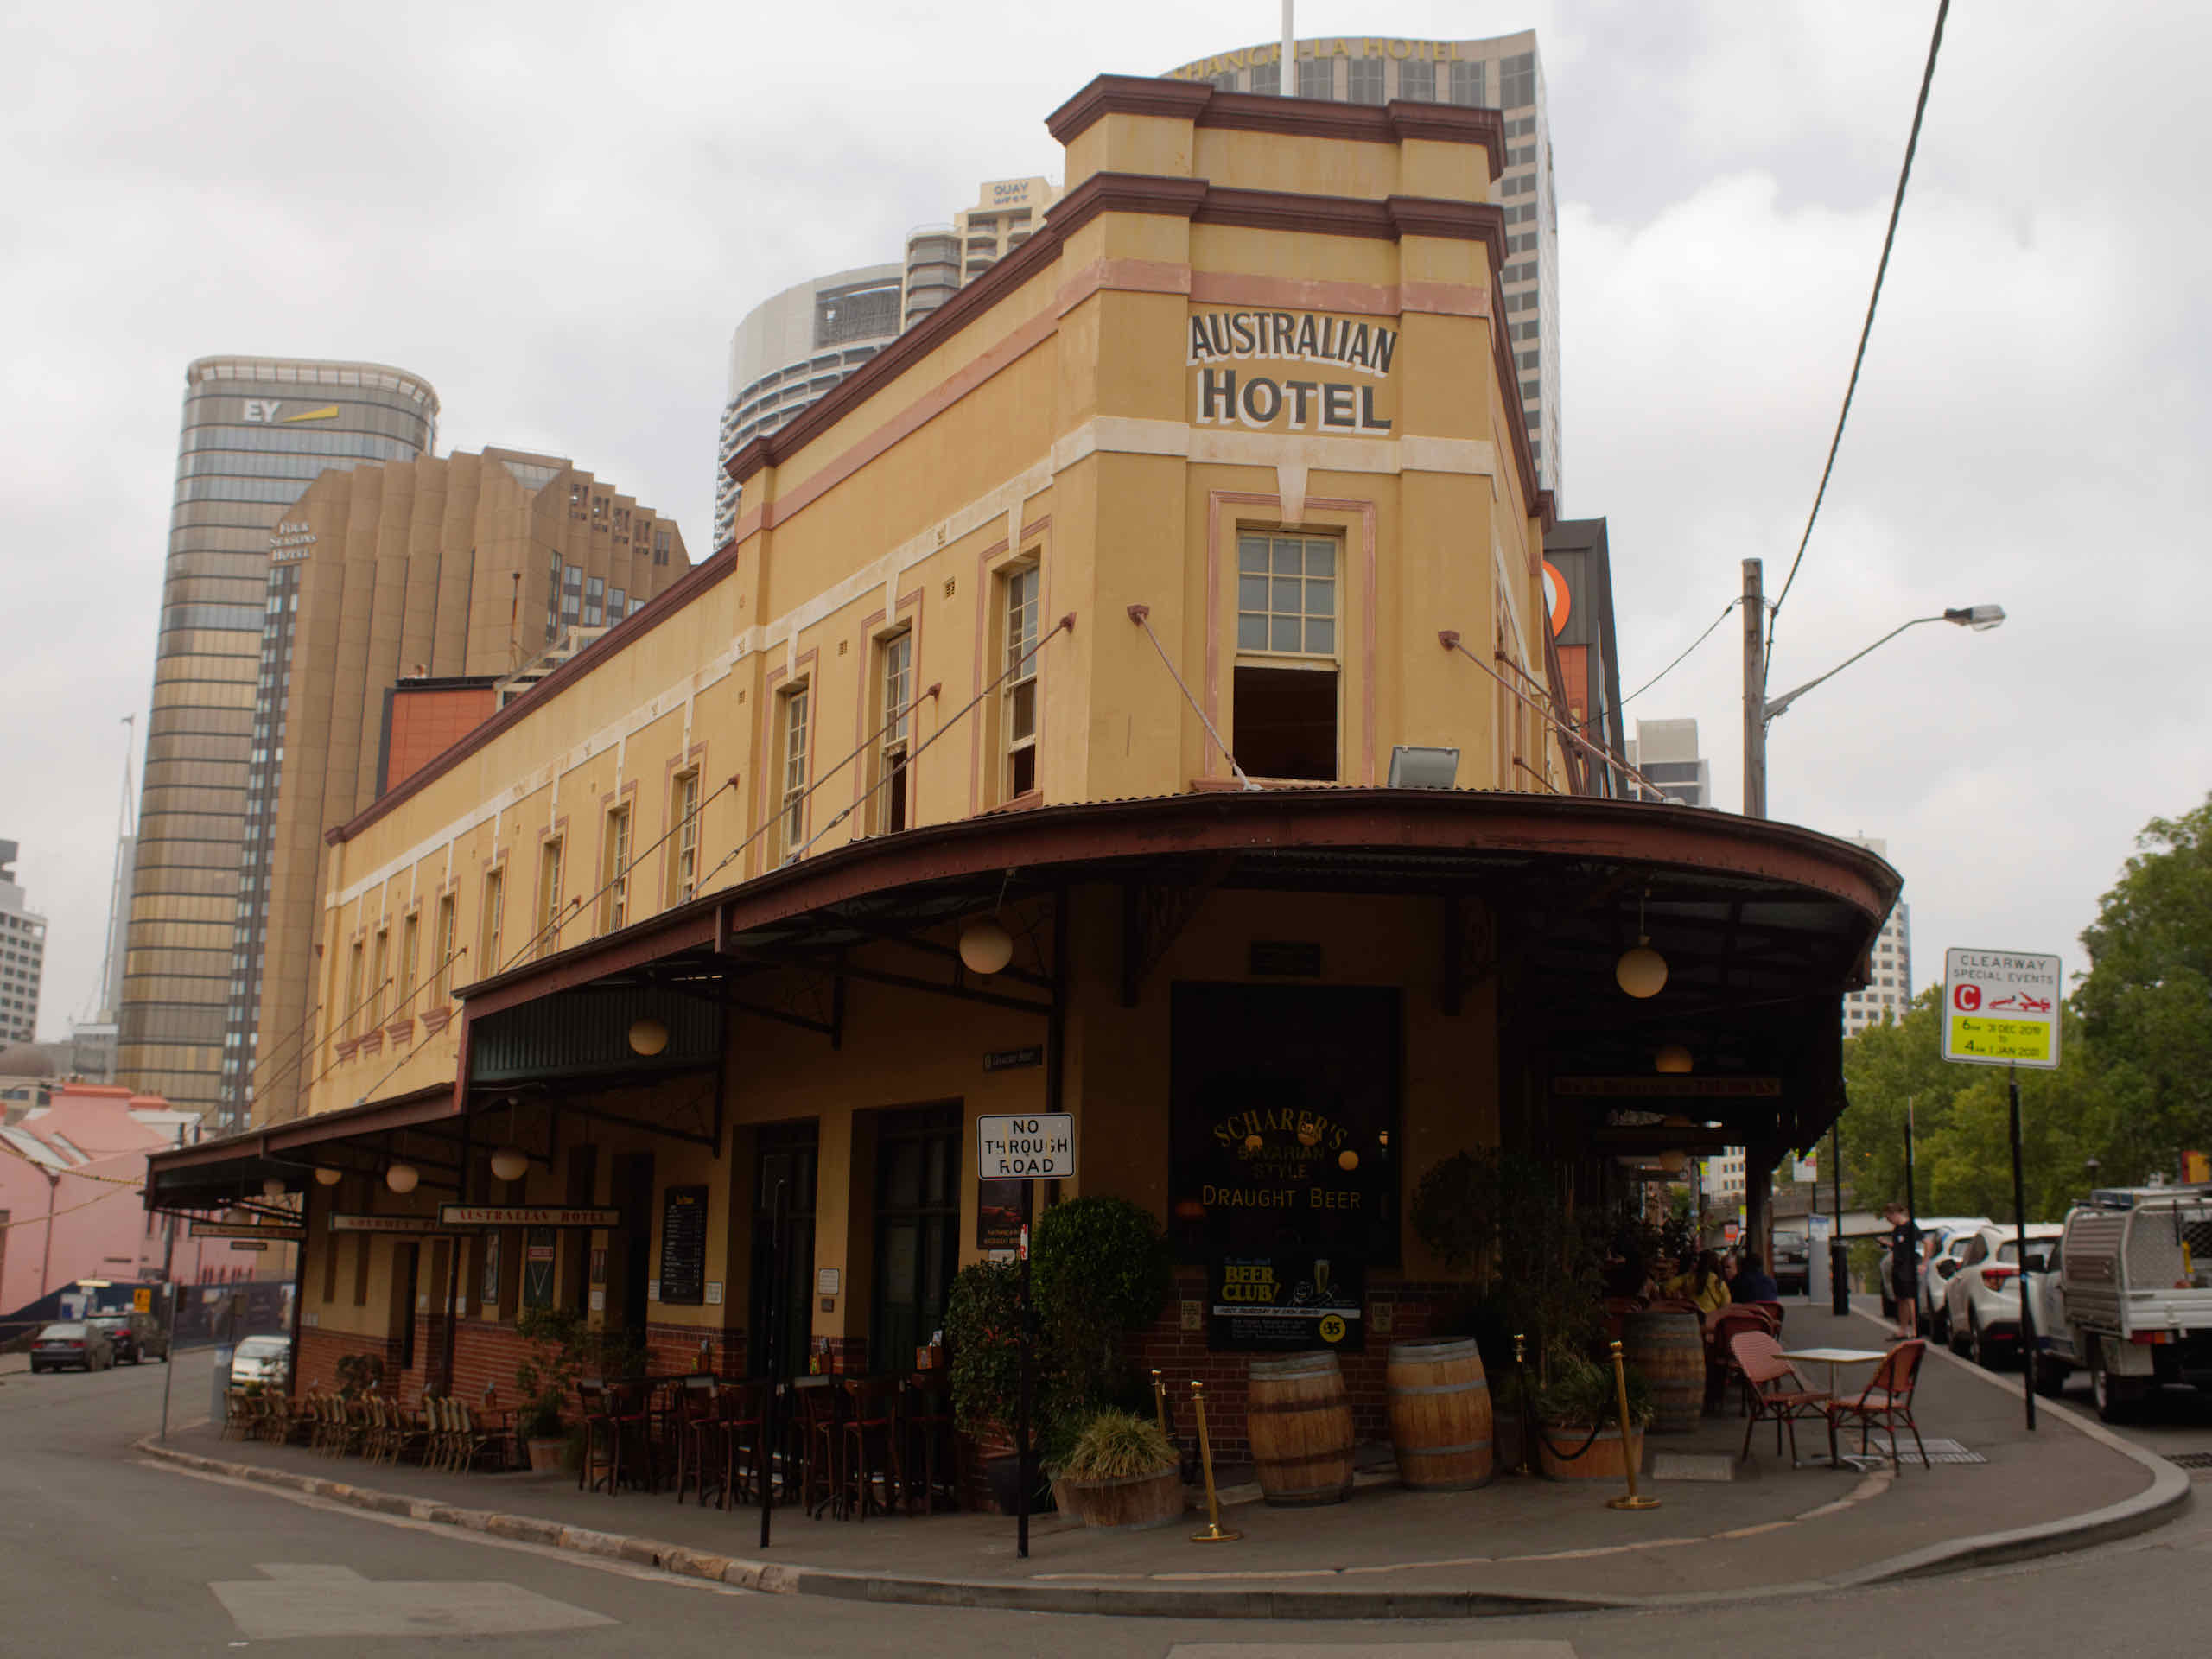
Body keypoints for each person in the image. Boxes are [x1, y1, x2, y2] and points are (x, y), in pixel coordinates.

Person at [1885, 1201, 1923, 1341]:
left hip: (1907, 1266)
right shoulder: (1896, 1229)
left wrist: (1923, 1264)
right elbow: (1899, 1246)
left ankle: (1915, 1329)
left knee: (1909, 1298)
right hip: (1898, 1265)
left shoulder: (1909, 1226)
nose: (1889, 1221)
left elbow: (1926, 1242)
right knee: (1900, 1298)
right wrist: (1888, 1244)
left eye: (1889, 1217)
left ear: (1894, 1214)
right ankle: (1903, 1329)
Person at [1665, 1249, 1732, 1314]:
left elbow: (1667, 1287)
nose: (1693, 1263)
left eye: (1696, 1261)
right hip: (1711, 1320)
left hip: (1692, 1317)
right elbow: (1726, 1304)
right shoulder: (1719, 1281)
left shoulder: (1689, 1277)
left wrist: (1678, 1297)